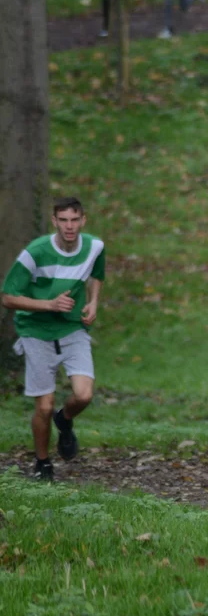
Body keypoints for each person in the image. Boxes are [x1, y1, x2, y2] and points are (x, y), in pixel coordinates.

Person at [1, 198, 107, 481]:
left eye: (74, 220)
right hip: (36, 331)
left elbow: (96, 275)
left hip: (72, 328)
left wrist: (94, 303)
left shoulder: (95, 246)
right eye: (63, 220)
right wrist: (49, 304)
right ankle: (43, 463)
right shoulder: (35, 253)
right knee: (44, 406)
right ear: (54, 221)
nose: (69, 226)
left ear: (83, 220)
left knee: (84, 395)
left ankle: (66, 419)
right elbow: (8, 297)